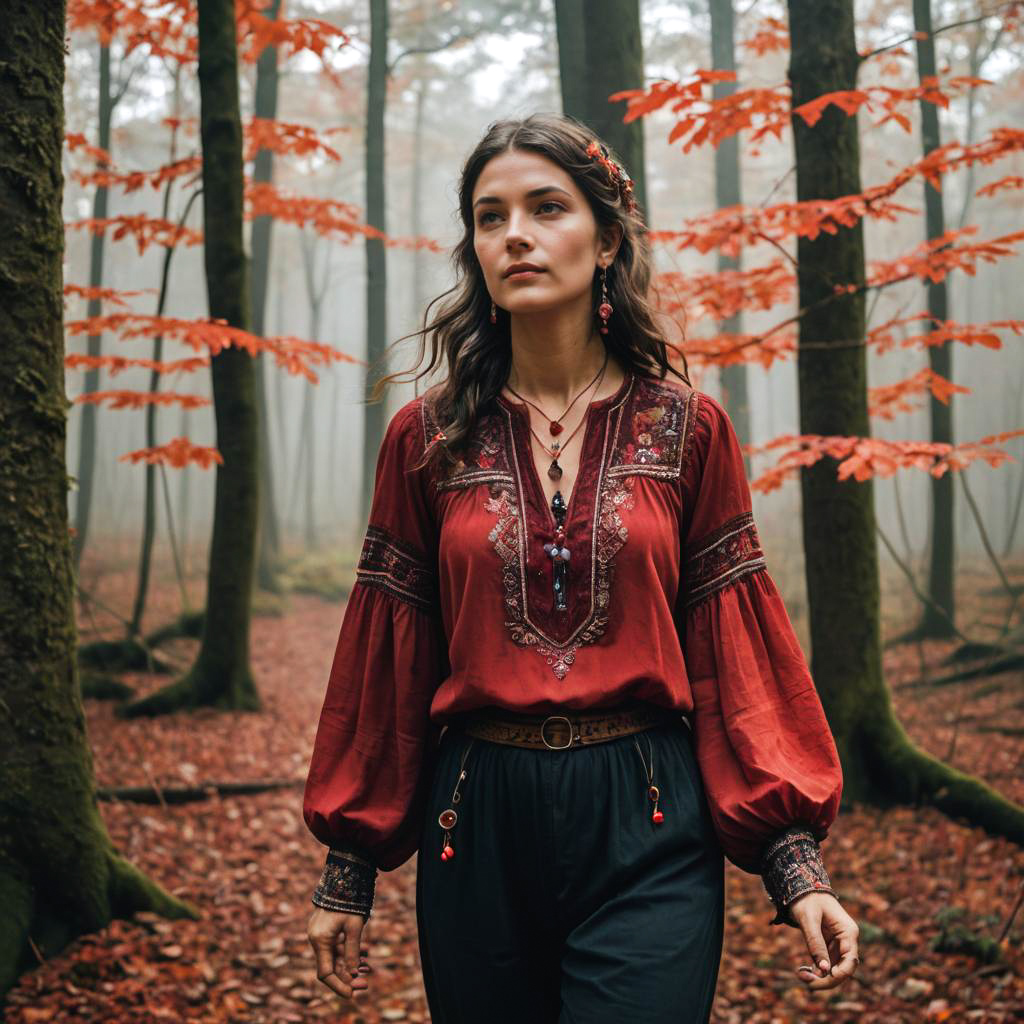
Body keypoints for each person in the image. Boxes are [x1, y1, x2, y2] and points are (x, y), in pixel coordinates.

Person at [303, 112, 859, 1023]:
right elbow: (388, 656)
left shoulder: (690, 429)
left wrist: (795, 867)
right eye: (489, 216)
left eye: (545, 207)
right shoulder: (426, 438)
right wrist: (348, 870)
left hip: (647, 816)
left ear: (605, 240)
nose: (513, 233)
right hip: (473, 823)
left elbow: (735, 654)